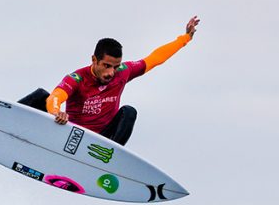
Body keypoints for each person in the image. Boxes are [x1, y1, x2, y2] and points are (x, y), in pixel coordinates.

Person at [18, 16, 200, 146]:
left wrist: (185, 38)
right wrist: (56, 112)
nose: (111, 72)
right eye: (106, 65)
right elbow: (56, 97)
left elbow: (155, 59)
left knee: (129, 112)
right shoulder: (78, 78)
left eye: (115, 66)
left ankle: (112, 154)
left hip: (100, 140)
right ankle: (1, 123)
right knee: (41, 95)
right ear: (94, 60)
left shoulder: (123, 72)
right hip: (68, 132)